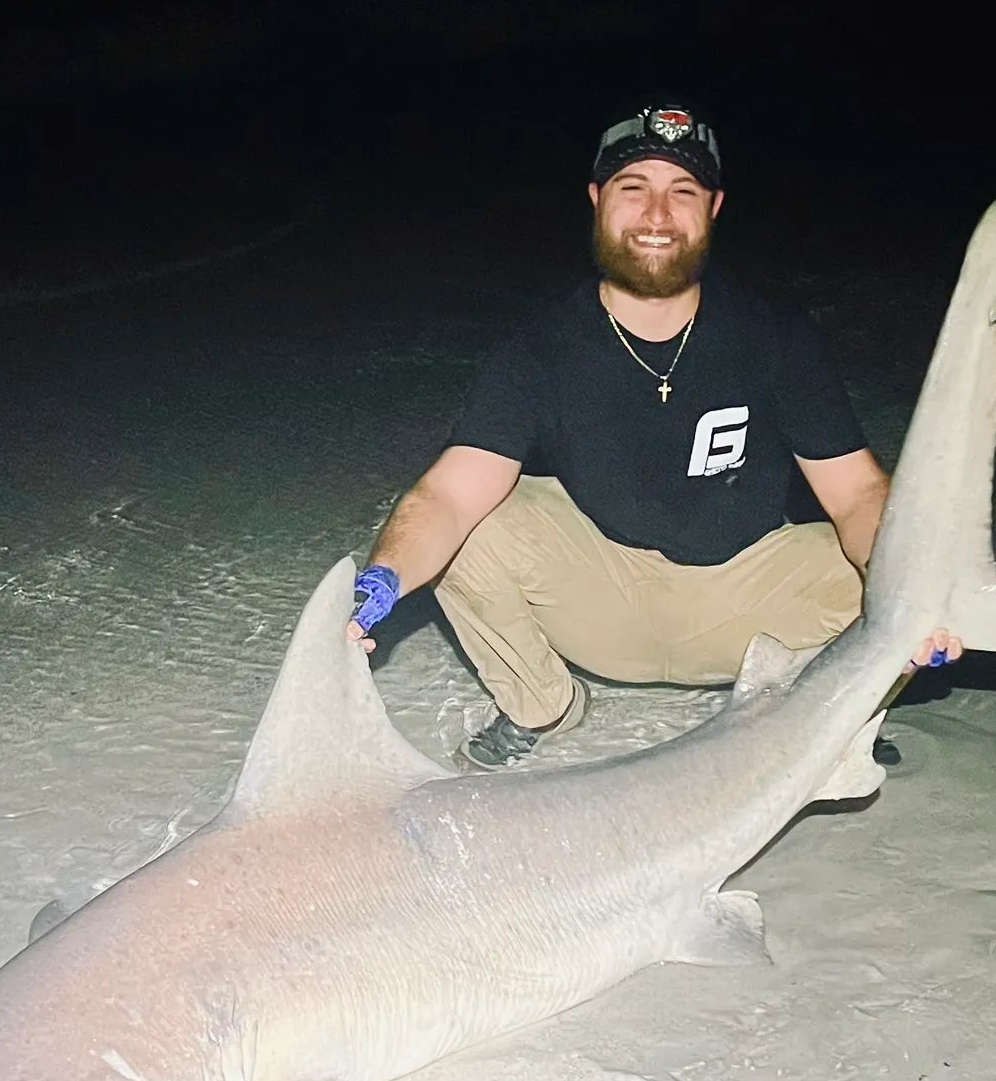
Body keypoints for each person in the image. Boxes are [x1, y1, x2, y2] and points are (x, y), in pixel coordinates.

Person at [347, 97, 958, 769]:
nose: (658, 215)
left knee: (903, 560)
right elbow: (449, 496)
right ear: (597, 199)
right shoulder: (541, 349)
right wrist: (380, 584)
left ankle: (829, 714)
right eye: (633, 188)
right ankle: (542, 704)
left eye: (683, 191)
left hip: (751, 602)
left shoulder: (775, 338)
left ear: (714, 207)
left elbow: (857, 494)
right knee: (466, 528)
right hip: (601, 598)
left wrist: (915, 594)